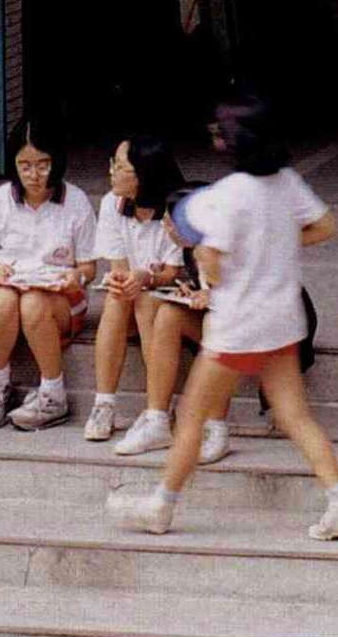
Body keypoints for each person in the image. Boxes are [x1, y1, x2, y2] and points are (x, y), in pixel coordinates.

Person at [112, 94, 338, 541]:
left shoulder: (228, 195)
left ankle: (161, 506)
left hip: (237, 326)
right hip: (283, 322)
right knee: (296, 416)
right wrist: (276, 244)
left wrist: (222, 260)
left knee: (191, 414)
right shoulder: (288, 182)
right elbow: (325, 226)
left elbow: (213, 260)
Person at [0, 116, 98, 432]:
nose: (34, 175)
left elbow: (88, 267)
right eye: (25, 166)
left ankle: (53, 395)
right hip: (8, 291)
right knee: (2, 301)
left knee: (33, 303)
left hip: (59, 298)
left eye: (43, 165)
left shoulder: (76, 201)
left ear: (56, 161)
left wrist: (76, 277)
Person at [108, 184, 245, 465]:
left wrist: (214, 296)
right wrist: (194, 291)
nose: (166, 227)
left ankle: (216, 428)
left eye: (171, 222)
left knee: (216, 324)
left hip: (259, 325)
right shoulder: (191, 250)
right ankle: (157, 419)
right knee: (168, 314)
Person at [85, 135, 187, 442]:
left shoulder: (175, 208)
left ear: (144, 174)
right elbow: (119, 266)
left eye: (120, 167)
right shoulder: (111, 203)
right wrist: (126, 279)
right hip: (133, 292)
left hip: (170, 296)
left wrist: (145, 278)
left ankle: (158, 408)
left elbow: (173, 272)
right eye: (113, 164)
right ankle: (104, 403)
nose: (112, 172)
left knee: (145, 301)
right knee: (117, 298)